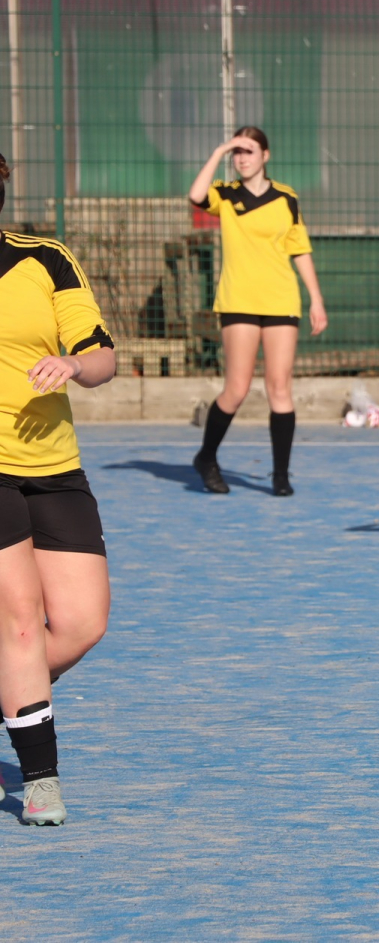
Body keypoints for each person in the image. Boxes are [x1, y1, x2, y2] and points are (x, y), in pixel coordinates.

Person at [0, 153, 116, 824]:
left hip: (53, 465)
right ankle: (40, 781)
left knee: (79, 624)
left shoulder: (45, 257)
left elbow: (103, 356)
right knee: (17, 620)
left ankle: (17, 698)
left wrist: (73, 363)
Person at [188, 126, 327, 496]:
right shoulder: (225, 194)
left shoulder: (286, 198)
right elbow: (195, 195)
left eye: (249, 151)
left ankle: (280, 476)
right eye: (237, 152)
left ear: (266, 155)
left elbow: (300, 249)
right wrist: (218, 151)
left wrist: (316, 298)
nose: (242, 158)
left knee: (280, 388)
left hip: (282, 300)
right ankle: (206, 456)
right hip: (239, 302)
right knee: (236, 388)